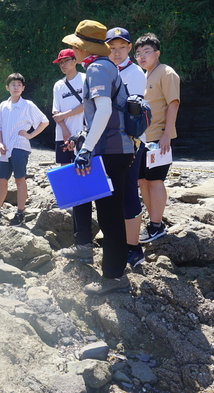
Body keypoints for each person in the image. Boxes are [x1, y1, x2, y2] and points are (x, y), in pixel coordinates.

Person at [61, 20, 135, 295]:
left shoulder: (96, 68)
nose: (72, 51)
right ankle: (114, 271)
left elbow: (104, 110)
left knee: (110, 215)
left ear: (85, 48)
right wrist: (83, 138)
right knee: (109, 213)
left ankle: (115, 277)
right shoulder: (104, 67)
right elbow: (100, 114)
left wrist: (86, 150)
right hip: (114, 149)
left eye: (74, 46)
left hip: (112, 151)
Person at [0, 73, 49, 226]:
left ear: (23, 88)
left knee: (19, 179)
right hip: (5, 148)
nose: (16, 87)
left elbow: (44, 121)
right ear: (7, 87)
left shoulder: (28, 105)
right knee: (1, 179)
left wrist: (30, 135)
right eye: (13, 84)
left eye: (19, 84)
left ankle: (20, 213)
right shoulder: (3, 105)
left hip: (20, 145)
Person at [106, 27, 148, 267]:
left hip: (129, 141)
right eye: (112, 48)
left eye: (121, 47)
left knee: (128, 192)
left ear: (129, 48)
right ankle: (122, 240)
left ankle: (134, 248)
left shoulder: (135, 73)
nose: (117, 52)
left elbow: (128, 110)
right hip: (111, 142)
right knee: (114, 192)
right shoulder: (110, 70)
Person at [133, 33, 180, 244]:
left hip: (158, 138)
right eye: (138, 53)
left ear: (157, 53)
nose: (142, 56)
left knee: (155, 181)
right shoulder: (143, 76)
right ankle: (154, 223)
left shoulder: (166, 73)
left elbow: (173, 103)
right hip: (141, 139)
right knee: (142, 180)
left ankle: (156, 225)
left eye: (146, 52)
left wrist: (166, 135)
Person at [51, 49, 94, 262]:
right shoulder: (58, 85)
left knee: (84, 181)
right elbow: (55, 112)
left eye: (66, 61)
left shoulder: (86, 79)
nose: (62, 65)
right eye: (60, 62)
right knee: (70, 182)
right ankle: (79, 236)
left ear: (75, 61)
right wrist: (66, 131)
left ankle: (85, 239)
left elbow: (87, 104)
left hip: (84, 138)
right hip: (64, 137)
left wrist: (66, 118)